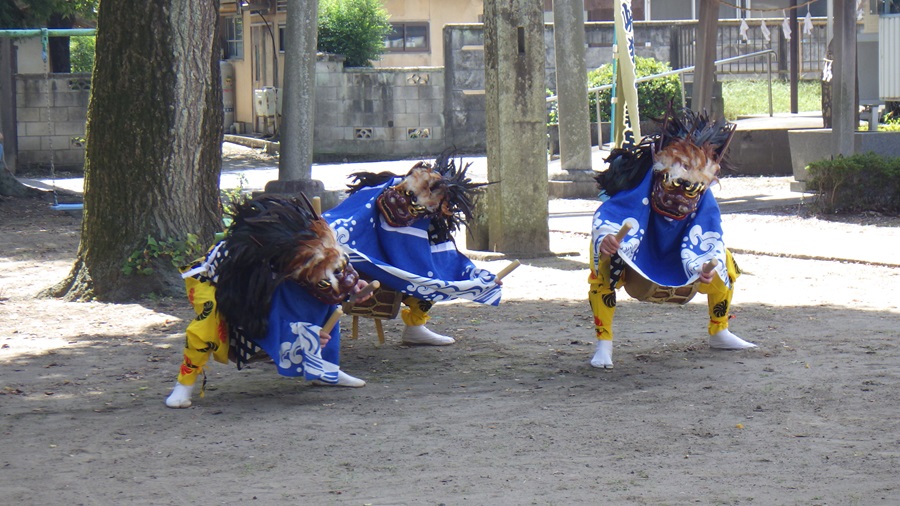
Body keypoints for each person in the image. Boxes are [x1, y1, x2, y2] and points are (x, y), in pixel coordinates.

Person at [165, 195, 373, 408]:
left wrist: (351, 286)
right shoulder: (249, 263)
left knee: (321, 300)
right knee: (208, 324)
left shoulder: (310, 245)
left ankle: (323, 369)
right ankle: (184, 385)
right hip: (220, 282)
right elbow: (262, 314)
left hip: (274, 274)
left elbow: (334, 267)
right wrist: (299, 335)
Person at [588, 107, 757, 369]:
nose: (682, 196)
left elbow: (710, 234)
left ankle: (719, 330)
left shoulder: (703, 196)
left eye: (692, 190)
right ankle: (604, 344)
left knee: (725, 263)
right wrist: (609, 239)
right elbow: (612, 216)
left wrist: (706, 263)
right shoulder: (640, 189)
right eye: (675, 186)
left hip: (681, 252)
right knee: (605, 266)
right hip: (642, 247)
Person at [324, 153, 502, 346]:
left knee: (431, 275)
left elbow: (448, 261)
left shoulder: (428, 218)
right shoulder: (385, 191)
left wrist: (479, 277)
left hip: (393, 268)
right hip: (349, 258)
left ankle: (415, 326)